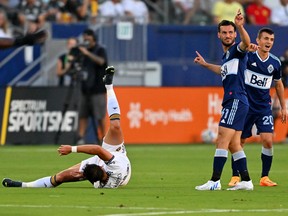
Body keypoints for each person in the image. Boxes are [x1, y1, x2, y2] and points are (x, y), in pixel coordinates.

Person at [2, 66, 132, 189]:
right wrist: (72, 149)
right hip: (117, 154)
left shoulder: (100, 182)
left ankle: (24, 185)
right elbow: (98, 149)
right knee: (115, 126)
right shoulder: (115, 167)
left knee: (61, 177)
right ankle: (109, 86)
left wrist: (73, 150)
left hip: (106, 168)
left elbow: (97, 152)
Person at [194, 10, 253, 190]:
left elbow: (247, 43)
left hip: (235, 99)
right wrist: (205, 65)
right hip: (236, 100)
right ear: (219, 34)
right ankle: (246, 181)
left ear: (234, 34)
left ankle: (214, 181)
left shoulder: (237, 50)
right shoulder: (228, 57)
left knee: (221, 139)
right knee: (234, 144)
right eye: (224, 32)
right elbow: (222, 70)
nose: (228, 35)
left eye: (230, 32)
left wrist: (241, 25)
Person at [228, 27, 287, 187]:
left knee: (268, 141)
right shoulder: (248, 56)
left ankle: (264, 177)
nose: (269, 42)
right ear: (258, 40)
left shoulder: (275, 62)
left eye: (271, 40)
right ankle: (235, 176)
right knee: (240, 141)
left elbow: (279, 84)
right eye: (266, 39)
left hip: (263, 108)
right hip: (245, 105)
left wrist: (283, 107)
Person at [76, 29, 108, 145]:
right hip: (85, 87)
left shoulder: (100, 50)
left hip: (98, 88)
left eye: (88, 38)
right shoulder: (82, 51)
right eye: (84, 38)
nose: (86, 40)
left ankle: (104, 137)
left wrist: (87, 53)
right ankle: (80, 137)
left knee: (100, 115)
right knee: (83, 114)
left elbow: (101, 62)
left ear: (93, 38)